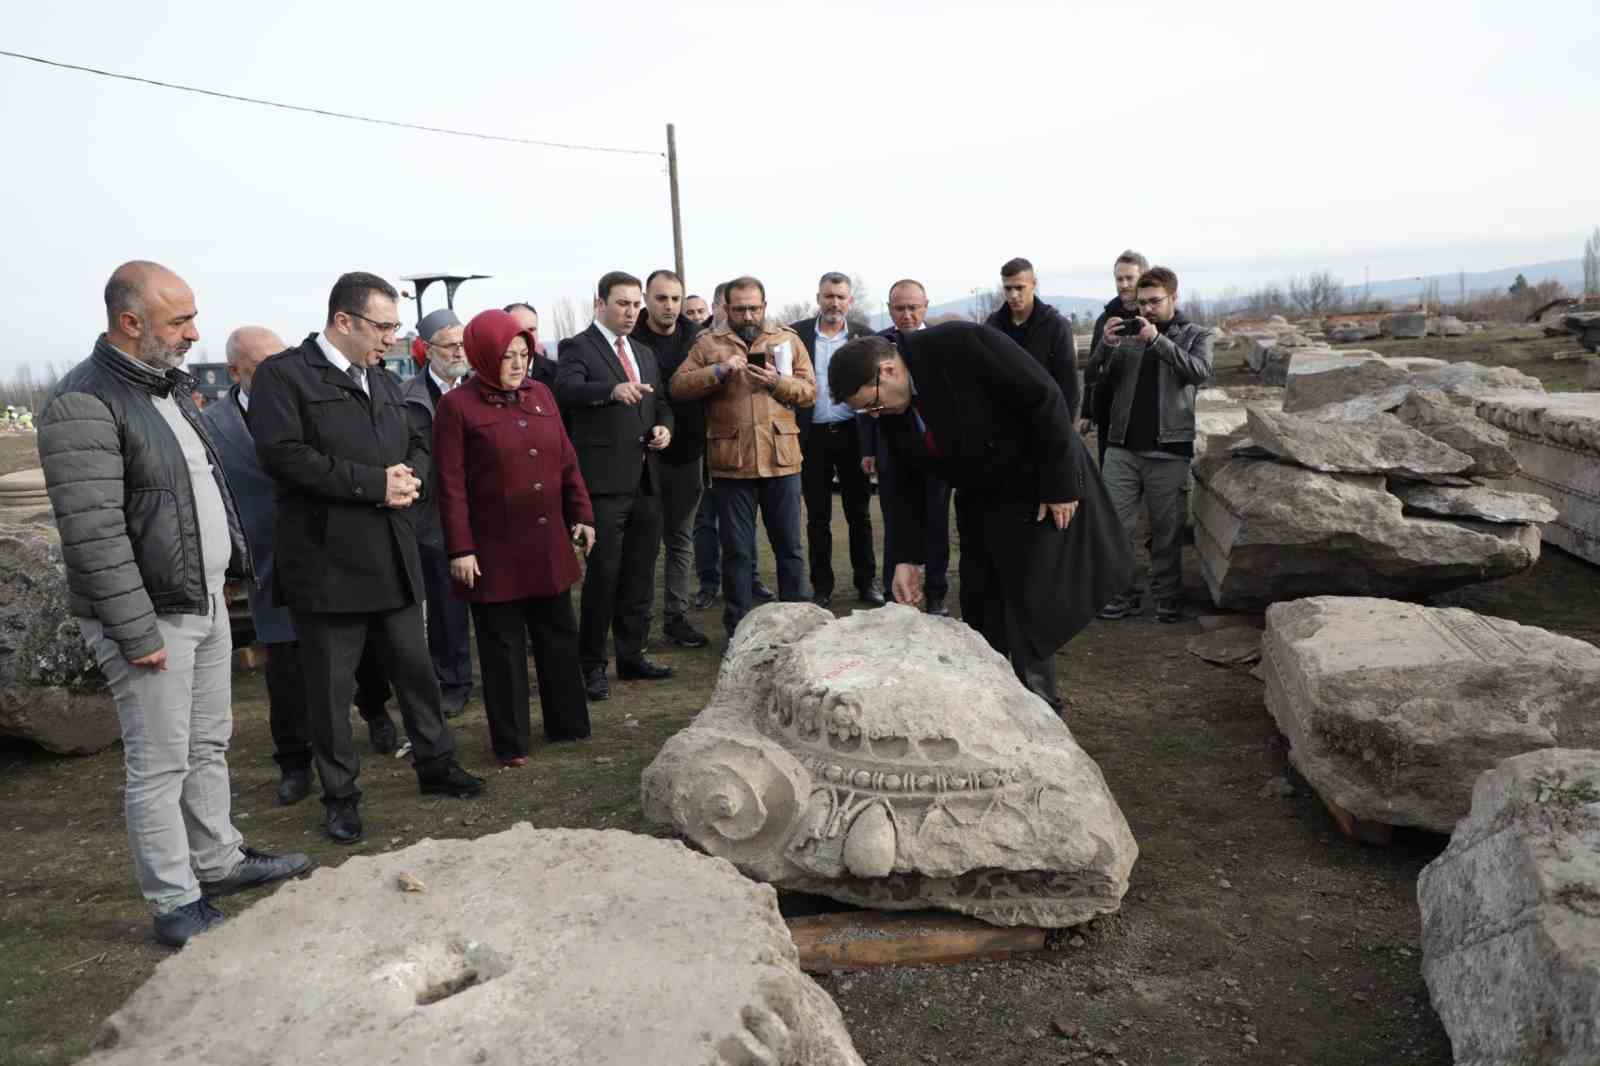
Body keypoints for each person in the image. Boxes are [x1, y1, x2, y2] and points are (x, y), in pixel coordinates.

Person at [38, 262, 309, 947]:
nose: (195, 333)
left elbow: (195, 497)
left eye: (192, 316)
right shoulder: (85, 404)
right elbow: (94, 532)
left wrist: (225, 581)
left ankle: (217, 860)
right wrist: (135, 632)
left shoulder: (168, 390)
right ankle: (174, 900)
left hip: (203, 603)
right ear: (131, 324)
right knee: (159, 764)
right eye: (179, 321)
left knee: (207, 744)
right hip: (151, 617)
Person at [248, 271, 484, 846]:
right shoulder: (286, 376)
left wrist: (409, 482)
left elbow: (417, 441)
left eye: (396, 328)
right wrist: (372, 484)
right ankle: (340, 796)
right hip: (326, 566)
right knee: (330, 693)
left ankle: (435, 764)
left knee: (416, 673)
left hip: (392, 554)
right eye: (382, 327)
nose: (392, 339)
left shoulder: (381, 379)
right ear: (343, 321)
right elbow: (283, 456)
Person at [829, 324, 1131, 711]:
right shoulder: (890, 407)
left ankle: (1038, 709)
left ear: (887, 370)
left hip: (1036, 484)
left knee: (1030, 601)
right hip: (980, 496)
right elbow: (904, 480)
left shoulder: (959, 344)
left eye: (873, 404)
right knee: (979, 600)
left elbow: (1043, 396)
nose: (876, 413)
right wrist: (907, 556)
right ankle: (993, 702)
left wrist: (1059, 484)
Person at [434, 310, 595, 765]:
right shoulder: (457, 406)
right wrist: (460, 548)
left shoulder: (542, 394)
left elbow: (567, 461)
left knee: (558, 635)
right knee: (503, 650)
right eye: (508, 356)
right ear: (484, 355)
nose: (518, 365)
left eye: (524, 355)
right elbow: (450, 484)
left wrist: (581, 513)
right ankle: (511, 742)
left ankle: (568, 725)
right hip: (493, 549)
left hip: (546, 543)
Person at [201, 325, 317, 805]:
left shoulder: (309, 406)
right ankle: (294, 761)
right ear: (235, 371)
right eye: (261, 368)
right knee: (286, 671)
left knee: (356, 658)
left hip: (325, 554)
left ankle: (372, 713)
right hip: (266, 565)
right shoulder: (211, 426)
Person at [671, 276, 815, 639]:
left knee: (791, 549)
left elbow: (810, 393)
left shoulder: (788, 339)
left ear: (764, 306)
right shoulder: (708, 344)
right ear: (726, 308)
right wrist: (717, 371)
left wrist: (775, 382)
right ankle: (738, 629)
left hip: (781, 459)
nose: (748, 314)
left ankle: (799, 626)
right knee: (736, 553)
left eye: (754, 307)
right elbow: (678, 386)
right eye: (739, 308)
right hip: (731, 463)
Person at [555, 271, 675, 701]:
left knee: (640, 575)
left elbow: (660, 402)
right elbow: (566, 390)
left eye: (634, 304)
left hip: (646, 480)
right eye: (622, 304)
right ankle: (591, 665)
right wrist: (611, 390)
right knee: (603, 577)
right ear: (600, 304)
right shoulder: (577, 347)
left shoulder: (643, 351)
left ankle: (631, 654)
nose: (631, 312)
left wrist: (664, 428)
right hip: (603, 484)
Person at [1083, 266, 1214, 624]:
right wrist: (1106, 347)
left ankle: (1167, 597)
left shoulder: (1195, 334)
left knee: (1166, 532)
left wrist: (1157, 341)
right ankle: (1122, 594)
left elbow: (1199, 371)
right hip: (1122, 447)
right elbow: (1094, 378)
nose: (1147, 310)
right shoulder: (1126, 334)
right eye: (1142, 303)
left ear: (1174, 297)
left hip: (1169, 450)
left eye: (1155, 301)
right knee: (1114, 527)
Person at [859, 279, 952, 615]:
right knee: (896, 518)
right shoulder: (877, 347)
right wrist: (868, 449)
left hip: (936, 450)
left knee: (936, 520)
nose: (908, 314)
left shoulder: (941, 345)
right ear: (889, 309)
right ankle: (893, 591)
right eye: (900, 308)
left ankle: (936, 590)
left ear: (925, 306)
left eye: (914, 307)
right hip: (893, 451)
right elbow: (866, 406)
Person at [790, 273, 882, 608]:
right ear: (818, 297)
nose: (834, 303)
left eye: (841, 297)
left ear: (850, 301)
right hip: (811, 435)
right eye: (829, 296)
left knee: (859, 513)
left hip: (852, 435)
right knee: (817, 517)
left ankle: (866, 582)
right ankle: (822, 586)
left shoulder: (864, 337)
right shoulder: (795, 335)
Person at [400, 308, 474, 717]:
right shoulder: (408, 397)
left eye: (464, 343)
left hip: (482, 508)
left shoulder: (482, 388)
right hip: (433, 516)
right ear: (428, 350)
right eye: (450, 345)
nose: (459, 352)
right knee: (446, 606)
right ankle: (453, 681)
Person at [632, 269, 710, 648]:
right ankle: (638, 622)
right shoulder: (629, 340)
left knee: (680, 539)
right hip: (641, 455)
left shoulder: (698, 338)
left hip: (688, 452)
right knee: (644, 542)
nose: (669, 306)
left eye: (675, 299)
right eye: (661, 298)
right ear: (647, 297)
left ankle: (676, 618)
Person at [690, 281, 772, 609]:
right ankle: (708, 582)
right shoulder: (701, 343)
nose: (741, 314)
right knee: (706, 520)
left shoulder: (757, 338)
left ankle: (749, 578)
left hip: (740, 446)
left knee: (741, 524)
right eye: (732, 307)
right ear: (720, 307)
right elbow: (682, 385)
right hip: (704, 441)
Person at [986, 257, 1081, 423]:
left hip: (1045, 423)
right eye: (1008, 288)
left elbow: (1069, 385)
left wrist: (1065, 430)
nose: (1013, 295)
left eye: (1019, 287)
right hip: (1003, 425)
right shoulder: (992, 326)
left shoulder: (1056, 326)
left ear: (1033, 284)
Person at [1083, 251, 1149, 463]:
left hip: (1145, 412)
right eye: (1119, 279)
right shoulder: (1106, 319)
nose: (1124, 284)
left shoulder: (1153, 316)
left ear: (1143, 278)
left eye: (1130, 278)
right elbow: (1092, 368)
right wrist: (1086, 412)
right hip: (1109, 412)